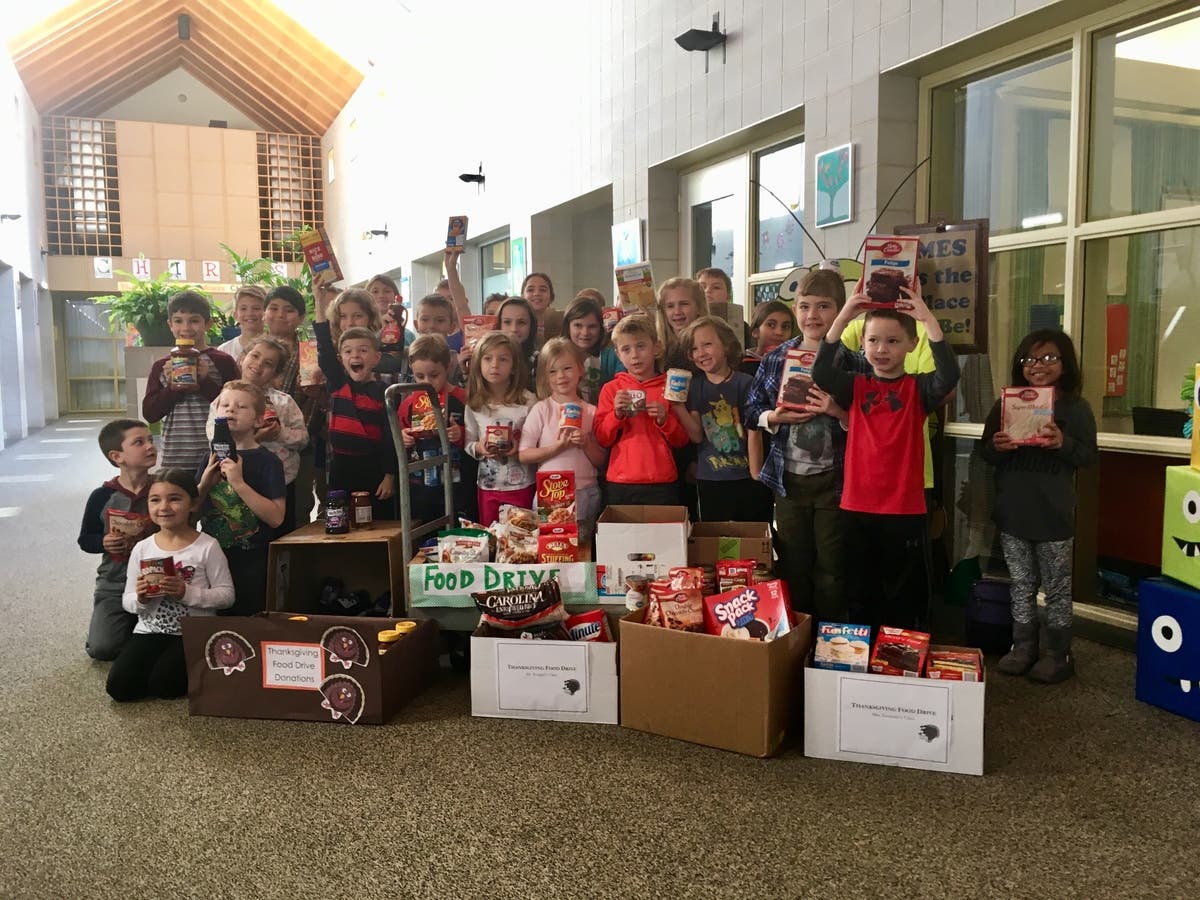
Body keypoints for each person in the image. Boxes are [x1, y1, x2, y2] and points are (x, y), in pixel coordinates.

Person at [812, 289, 960, 632]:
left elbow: (949, 374)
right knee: (859, 591)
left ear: (912, 344)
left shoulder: (920, 390)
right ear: (862, 343)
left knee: (903, 594)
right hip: (856, 506)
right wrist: (846, 313)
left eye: (893, 341)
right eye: (873, 340)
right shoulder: (854, 386)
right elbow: (821, 372)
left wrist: (926, 318)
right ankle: (862, 654)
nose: (881, 349)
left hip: (904, 509)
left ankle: (897, 653)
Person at [978, 330, 1096, 683]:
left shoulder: (1076, 408)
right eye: (1029, 359)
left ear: (1065, 364)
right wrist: (997, 446)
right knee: (1021, 584)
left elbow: (1089, 457)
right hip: (1014, 512)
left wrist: (1062, 443)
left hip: (1054, 516)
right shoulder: (1006, 404)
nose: (1038, 366)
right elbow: (986, 452)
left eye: (1049, 358)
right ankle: (1023, 648)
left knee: (1057, 588)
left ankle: (1059, 654)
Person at [746, 271, 851, 620]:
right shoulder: (776, 358)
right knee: (793, 564)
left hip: (836, 482)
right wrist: (773, 417)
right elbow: (751, 410)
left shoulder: (852, 360)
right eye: (805, 307)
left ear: (840, 311)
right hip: (788, 480)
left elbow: (867, 422)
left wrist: (837, 411)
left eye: (824, 307)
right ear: (795, 310)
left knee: (833, 569)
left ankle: (829, 638)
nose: (813, 315)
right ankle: (797, 634)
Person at [106, 470, 234, 702]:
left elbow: (227, 596)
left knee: (165, 686)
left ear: (193, 503)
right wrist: (141, 599)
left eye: (175, 498)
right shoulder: (142, 548)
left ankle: (199, 664)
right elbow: (127, 600)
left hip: (193, 630)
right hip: (150, 629)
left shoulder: (207, 546)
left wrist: (187, 592)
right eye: (155, 500)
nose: (164, 507)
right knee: (119, 688)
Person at [196, 380, 286, 615]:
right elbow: (190, 512)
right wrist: (203, 486)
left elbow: (276, 518)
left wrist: (238, 483)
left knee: (248, 617)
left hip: (252, 557)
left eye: (241, 406)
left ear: (258, 420)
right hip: (211, 556)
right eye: (224, 404)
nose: (231, 409)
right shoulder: (208, 458)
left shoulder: (268, 462)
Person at [671, 316, 771, 523]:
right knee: (717, 535)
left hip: (746, 476)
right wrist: (678, 406)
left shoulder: (746, 383)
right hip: (711, 478)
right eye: (694, 348)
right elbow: (697, 436)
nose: (701, 353)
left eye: (707, 344)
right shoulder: (695, 386)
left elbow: (755, 433)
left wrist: (757, 473)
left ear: (726, 345)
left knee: (750, 531)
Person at [207, 337, 307, 535]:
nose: (259, 364)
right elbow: (213, 437)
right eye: (255, 356)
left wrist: (279, 433)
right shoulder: (223, 400)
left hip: (279, 484)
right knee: (238, 531)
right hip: (232, 481)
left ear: (275, 373)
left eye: (268, 363)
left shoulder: (283, 402)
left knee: (279, 535)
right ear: (242, 358)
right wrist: (255, 438)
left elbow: (303, 439)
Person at [313, 286, 398, 521]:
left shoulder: (384, 392)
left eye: (363, 350)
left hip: (374, 469)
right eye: (348, 351)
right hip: (341, 469)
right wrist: (319, 301)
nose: (356, 356)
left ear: (376, 357)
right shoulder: (338, 383)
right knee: (341, 520)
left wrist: (390, 475)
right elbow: (324, 347)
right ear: (340, 359)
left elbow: (390, 438)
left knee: (378, 520)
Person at [78, 419, 159, 660]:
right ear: (117, 456)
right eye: (139, 442)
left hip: (159, 579)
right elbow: (86, 539)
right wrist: (103, 541)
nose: (150, 446)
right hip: (115, 582)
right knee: (102, 648)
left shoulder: (163, 490)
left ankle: (138, 627)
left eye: (150, 440)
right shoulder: (102, 496)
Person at [518, 338, 608, 542]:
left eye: (567, 368)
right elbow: (524, 454)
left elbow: (602, 461)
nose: (561, 376)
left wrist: (586, 444)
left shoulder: (592, 411)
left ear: (580, 369)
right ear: (544, 376)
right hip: (550, 493)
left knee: (582, 548)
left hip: (585, 491)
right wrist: (557, 447)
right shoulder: (541, 409)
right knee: (551, 548)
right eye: (552, 371)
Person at [595, 315, 689, 506]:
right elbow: (602, 438)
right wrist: (616, 415)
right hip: (619, 481)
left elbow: (682, 441)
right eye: (626, 349)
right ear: (618, 354)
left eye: (641, 346)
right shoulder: (611, 389)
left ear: (657, 347)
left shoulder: (671, 387)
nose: (635, 355)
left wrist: (665, 420)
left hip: (662, 481)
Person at [142, 290, 238, 471]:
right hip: (175, 457)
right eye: (178, 321)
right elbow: (150, 414)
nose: (185, 328)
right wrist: (172, 387)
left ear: (208, 324)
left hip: (217, 456)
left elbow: (237, 407)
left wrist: (204, 382)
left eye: (194, 320)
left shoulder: (222, 361)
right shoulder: (162, 366)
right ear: (170, 325)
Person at [397, 334, 472, 526]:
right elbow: (399, 434)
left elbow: (476, 437)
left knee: (457, 528)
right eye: (420, 376)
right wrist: (403, 438)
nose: (427, 382)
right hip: (421, 484)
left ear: (448, 367)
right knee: (424, 529)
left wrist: (460, 434)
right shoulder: (408, 403)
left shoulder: (463, 398)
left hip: (457, 483)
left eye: (434, 375)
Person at [464, 332, 537, 525]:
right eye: (487, 358)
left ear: (514, 367)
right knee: (492, 535)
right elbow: (468, 443)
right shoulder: (474, 404)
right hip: (488, 486)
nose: (494, 365)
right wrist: (480, 447)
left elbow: (537, 443)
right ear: (478, 364)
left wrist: (518, 446)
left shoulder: (528, 401)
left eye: (503, 359)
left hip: (522, 484)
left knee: (523, 535)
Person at [264, 284, 322, 529]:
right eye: (273, 308)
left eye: (288, 310)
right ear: (264, 313)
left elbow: (317, 400)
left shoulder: (310, 353)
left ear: (300, 317)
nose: (280, 315)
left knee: (299, 507)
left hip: (300, 444)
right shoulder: (253, 352)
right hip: (259, 444)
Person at [562, 295, 624, 405]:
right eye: (578, 325)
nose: (585, 332)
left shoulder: (614, 355)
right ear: (568, 326)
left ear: (601, 328)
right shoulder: (557, 355)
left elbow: (623, 386)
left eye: (592, 326)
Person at [656, 277, 709, 370]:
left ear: (699, 307)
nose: (677, 312)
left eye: (684, 304)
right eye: (670, 306)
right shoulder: (658, 349)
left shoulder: (709, 346)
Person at [414, 292, 464, 386]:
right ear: (416, 325)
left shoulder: (458, 362)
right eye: (425, 320)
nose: (432, 326)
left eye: (440, 320)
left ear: (452, 327)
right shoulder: (405, 356)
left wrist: (465, 372)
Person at [741, 300, 797, 377]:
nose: (779, 332)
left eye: (785, 327)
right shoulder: (741, 365)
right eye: (771, 325)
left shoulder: (794, 364)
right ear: (755, 332)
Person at [495, 296, 540, 389]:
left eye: (521, 322)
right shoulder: (487, 358)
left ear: (531, 326)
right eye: (507, 322)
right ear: (499, 324)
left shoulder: (539, 360)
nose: (514, 329)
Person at [217, 285, 268, 362]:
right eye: (243, 309)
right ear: (235, 315)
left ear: (266, 313)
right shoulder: (224, 350)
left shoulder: (275, 348)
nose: (250, 313)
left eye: (256, 308)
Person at [366, 274, 417, 347]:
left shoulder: (408, 335)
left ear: (395, 296)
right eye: (375, 291)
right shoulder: (362, 331)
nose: (381, 295)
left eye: (387, 291)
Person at [522, 272, 562, 347]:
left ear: (551, 297)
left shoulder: (562, 323)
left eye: (542, 290)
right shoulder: (516, 324)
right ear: (522, 296)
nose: (536, 293)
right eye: (530, 290)